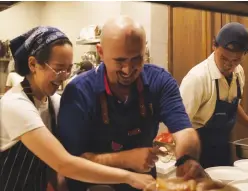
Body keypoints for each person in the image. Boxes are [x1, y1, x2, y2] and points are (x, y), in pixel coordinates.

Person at [58, 16, 204, 191]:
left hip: (145, 186)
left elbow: (184, 131)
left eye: (136, 59)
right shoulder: (79, 92)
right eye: (119, 61)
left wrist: (186, 160)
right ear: (101, 52)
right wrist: (126, 159)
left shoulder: (160, 81)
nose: (128, 69)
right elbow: (71, 162)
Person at [0, 26, 155, 191]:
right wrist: (130, 177)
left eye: (69, 69)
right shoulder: (15, 105)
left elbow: (54, 165)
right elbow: (63, 163)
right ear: (33, 64)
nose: (65, 76)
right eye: (59, 68)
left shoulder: (54, 102)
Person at [179, 22, 248, 169]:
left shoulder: (238, 72)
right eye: (224, 58)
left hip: (223, 148)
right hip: (197, 152)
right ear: (214, 46)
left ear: (244, 54)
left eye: (236, 60)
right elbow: (179, 126)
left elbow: (233, 105)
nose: (229, 65)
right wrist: (184, 161)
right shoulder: (197, 79)